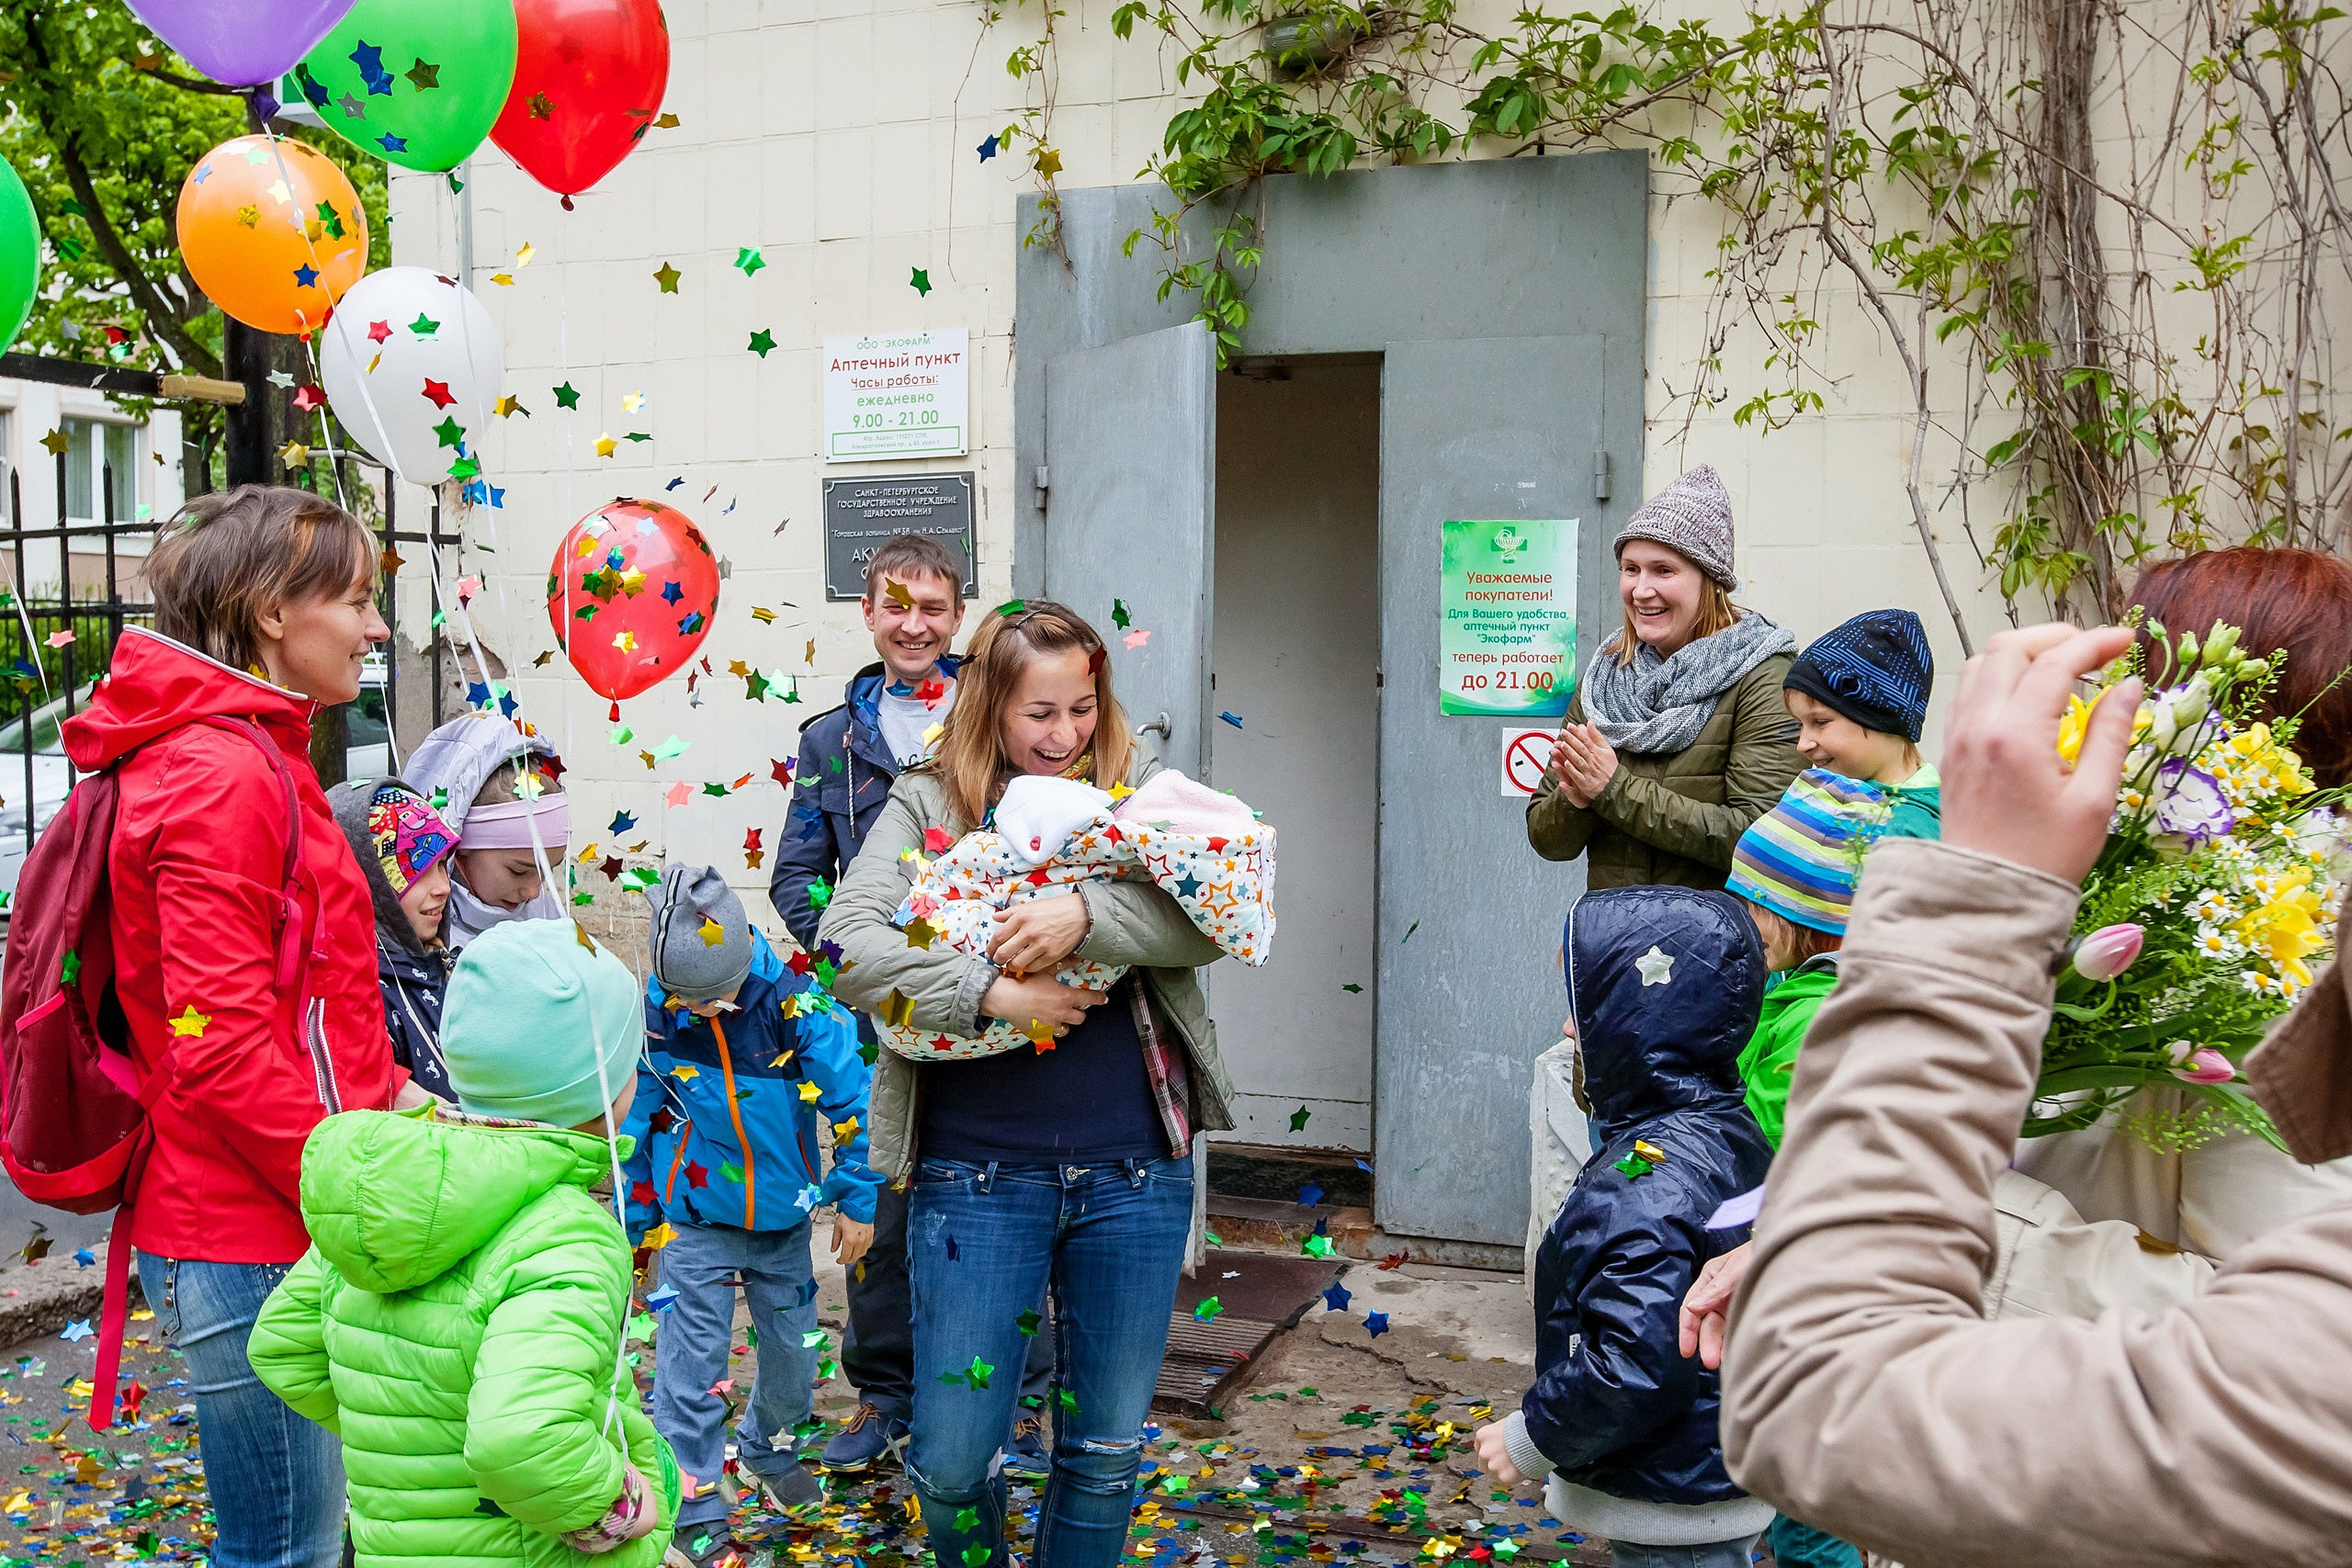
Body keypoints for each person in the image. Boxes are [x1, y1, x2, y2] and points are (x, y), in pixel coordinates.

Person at [1713, 621, 2352, 1567]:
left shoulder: (2256, 992)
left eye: (2138, 707)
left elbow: (1820, 1401)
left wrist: (1979, 897)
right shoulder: (2177, 935)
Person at [817, 601, 1233, 1568]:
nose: (1066, 736)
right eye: (1039, 714)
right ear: (990, 709)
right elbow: (846, 943)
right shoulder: (930, 803)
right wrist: (992, 991)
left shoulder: (1139, 799)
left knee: (1103, 1453)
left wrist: (1084, 914)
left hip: (1136, 1171)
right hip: (975, 1177)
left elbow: (1216, 921)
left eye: (1082, 709)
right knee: (957, 1459)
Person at [57, 485, 414, 1568]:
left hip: (277, 1216)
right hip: (248, 1235)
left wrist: (397, 1100)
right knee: (288, 1554)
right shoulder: (219, 770)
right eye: (355, 599)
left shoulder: (249, 751)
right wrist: (361, 1177)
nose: (377, 626)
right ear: (271, 611)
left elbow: (310, 999)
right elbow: (219, 1053)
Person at [248, 919, 679, 1567]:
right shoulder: (567, 1234)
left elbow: (283, 1345)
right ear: (608, 1091)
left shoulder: (393, 1193)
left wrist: (414, 1446)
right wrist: (617, 1511)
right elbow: (519, 1439)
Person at [2013, 547, 2352, 1258]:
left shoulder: (2291, 974)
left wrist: (1972, 1228)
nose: (2111, 706)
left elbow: (2292, 1332)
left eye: (2139, 683)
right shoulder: (2165, 894)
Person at [768, 533, 1005, 1475]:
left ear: (959, 616)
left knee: (1007, 1198)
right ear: (868, 614)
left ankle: (1020, 1399)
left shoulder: (996, 719)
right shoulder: (832, 741)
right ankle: (885, 1398)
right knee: (880, 1210)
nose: (915, 624)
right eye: (895, 606)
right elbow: (797, 879)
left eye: (934, 608)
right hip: (881, 1021)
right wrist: (868, 966)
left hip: (996, 1005)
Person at [1472, 886, 1775, 1567]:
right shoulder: (1729, 1131)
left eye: (1587, 1010)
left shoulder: (1644, 1180)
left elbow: (1637, 1360)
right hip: (1723, 1466)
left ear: (1643, 1018)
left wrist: (1532, 1436)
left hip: (1672, 1497)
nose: (1569, 1028)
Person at [620, 866, 882, 1566]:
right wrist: (637, 1223)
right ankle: (695, 1499)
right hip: (692, 1221)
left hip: (782, 1222)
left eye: (718, 997)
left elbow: (860, 1107)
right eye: (689, 999)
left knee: (796, 1357)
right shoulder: (657, 1012)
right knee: (689, 1366)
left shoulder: (798, 1008)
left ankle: (766, 1444)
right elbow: (636, 1119)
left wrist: (857, 1200)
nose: (704, 1011)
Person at [1527, 464, 1806, 888]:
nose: (1640, 589)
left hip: (1718, 945)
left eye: (1664, 570)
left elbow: (1763, 841)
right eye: (1631, 568)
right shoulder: (1607, 675)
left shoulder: (1761, 675)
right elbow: (1548, 841)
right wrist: (1576, 800)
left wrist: (1614, 789)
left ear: (1710, 580)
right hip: (1616, 940)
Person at [331, 777, 462, 1101]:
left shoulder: (448, 967)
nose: (443, 887)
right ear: (372, 882)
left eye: (443, 866)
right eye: (418, 871)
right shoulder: (364, 995)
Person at [401, 712, 570, 951]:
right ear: (458, 849)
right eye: (519, 871)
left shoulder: (550, 923)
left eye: (548, 871)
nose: (534, 892)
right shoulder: (413, 937)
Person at [1781, 608, 1940, 837]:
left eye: (1821, 721)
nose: (1802, 744)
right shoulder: (1832, 793)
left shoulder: (1908, 832)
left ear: (1883, 718)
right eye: (1800, 724)